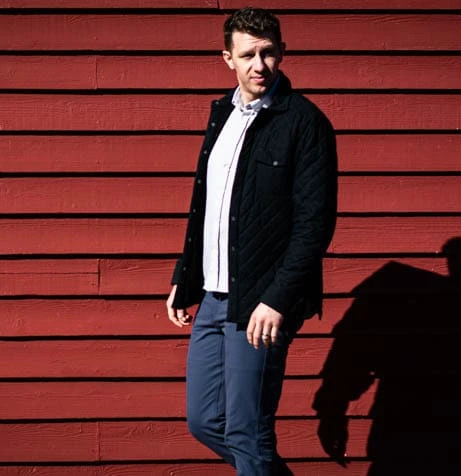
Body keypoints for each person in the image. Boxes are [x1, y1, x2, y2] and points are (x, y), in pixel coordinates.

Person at [165, 7, 338, 474]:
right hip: (216, 297)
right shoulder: (221, 115)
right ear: (228, 59)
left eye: (268, 53)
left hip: (262, 302)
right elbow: (207, 205)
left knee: (247, 428)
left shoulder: (303, 122)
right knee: (205, 421)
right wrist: (186, 279)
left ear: (281, 54)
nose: (259, 65)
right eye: (248, 55)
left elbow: (314, 223)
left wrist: (278, 299)